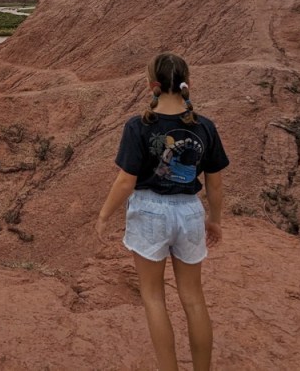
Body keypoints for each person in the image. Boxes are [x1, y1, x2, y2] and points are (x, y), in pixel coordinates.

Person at [96, 52, 229, 371]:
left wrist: (103, 216)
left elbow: (125, 181)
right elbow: (215, 183)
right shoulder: (205, 126)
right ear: (187, 83)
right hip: (189, 212)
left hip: (149, 213)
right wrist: (214, 220)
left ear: (151, 85)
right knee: (193, 298)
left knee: (154, 298)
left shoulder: (138, 126)